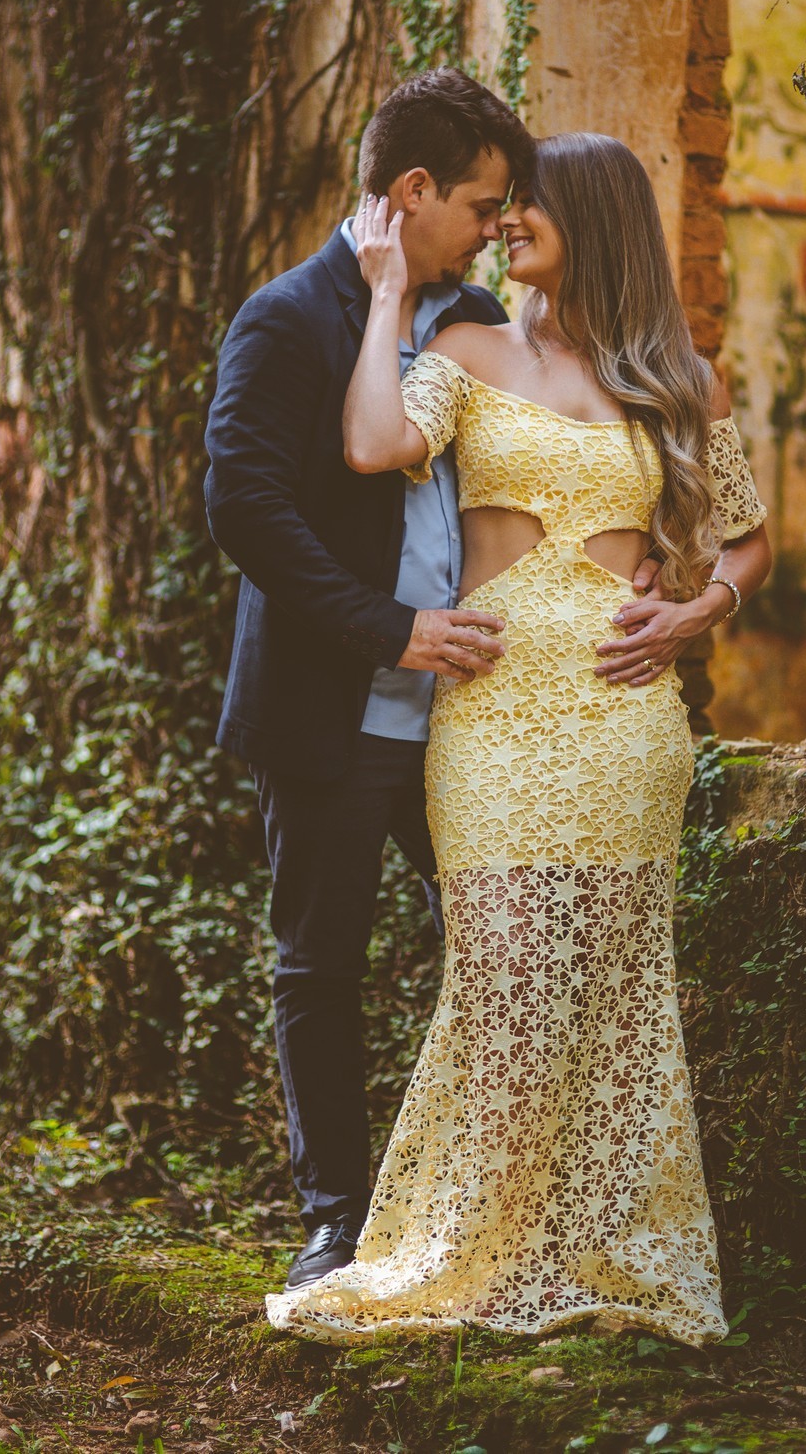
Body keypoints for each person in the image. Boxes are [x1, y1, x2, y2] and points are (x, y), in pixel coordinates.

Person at [265, 131, 772, 1345]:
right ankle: (479, 1252)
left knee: (616, 988)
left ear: (590, 219)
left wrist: (704, 605)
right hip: (492, 713)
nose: (505, 224)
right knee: (501, 977)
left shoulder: (677, 378)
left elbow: (748, 534)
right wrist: (389, 293)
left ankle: (597, 1248)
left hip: (625, 714)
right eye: (504, 208)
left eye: (528, 206)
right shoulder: (465, 345)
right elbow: (374, 444)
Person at [206, 68, 559, 1291]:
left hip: (473, 715)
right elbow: (244, 507)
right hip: (335, 708)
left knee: (508, 946)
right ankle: (335, 1223)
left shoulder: (476, 325)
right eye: (479, 202)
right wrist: (387, 629)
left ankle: (488, 1215)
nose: (494, 226)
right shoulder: (287, 316)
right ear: (412, 192)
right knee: (323, 964)